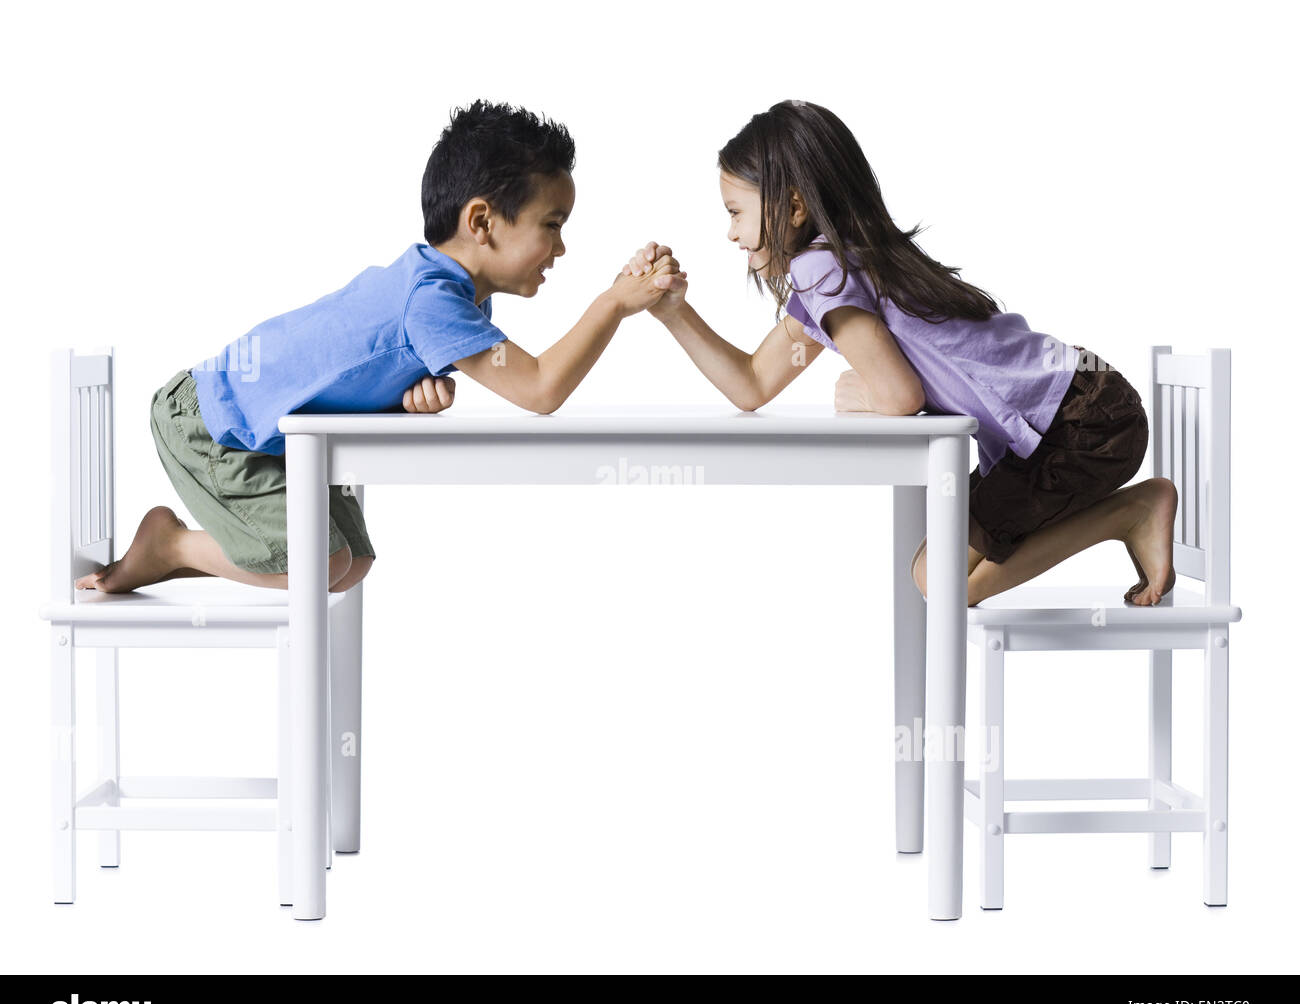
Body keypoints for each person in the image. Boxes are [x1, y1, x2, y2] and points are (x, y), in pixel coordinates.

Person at [77, 99, 684, 595]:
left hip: (277, 431)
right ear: (482, 223)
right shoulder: (434, 300)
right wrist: (613, 304)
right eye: (552, 225)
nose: (561, 248)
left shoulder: (453, 294)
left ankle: (183, 554)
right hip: (211, 422)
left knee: (350, 566)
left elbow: (366, 363)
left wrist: (402, 399)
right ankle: (170, 545)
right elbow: (540, 389)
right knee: (313, 565)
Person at [622, 99, 1176, 607]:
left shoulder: (821, 270)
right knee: (934, 576)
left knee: (939, 581)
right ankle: (1131, 513)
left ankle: (1132, 511)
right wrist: (674, 313)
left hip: (1076, 424)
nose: (732, 234)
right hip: (1084, 404)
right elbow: (752, 385)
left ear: (792, 208)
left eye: (735, 212)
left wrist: (868, 393)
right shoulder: (841, 265)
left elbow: (897, 395)